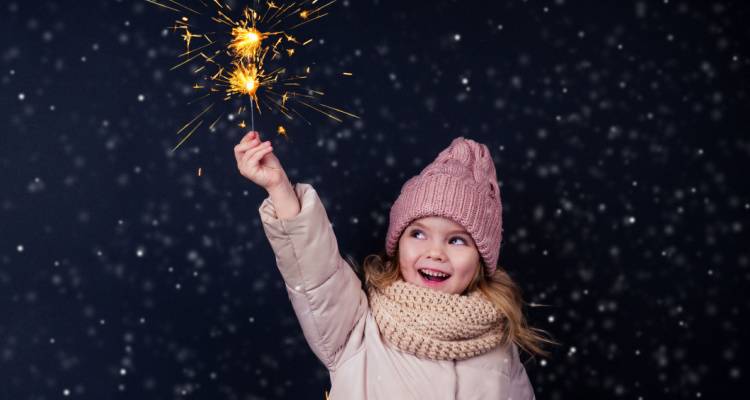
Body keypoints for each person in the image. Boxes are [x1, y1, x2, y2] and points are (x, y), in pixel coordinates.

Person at [234, 131, 552, 399]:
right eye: (418, 233)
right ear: (398, 244)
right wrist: (279, 188)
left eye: (457, 240)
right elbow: (315, 271)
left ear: (481, 259)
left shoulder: (498, 347)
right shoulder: (356, 324)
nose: (435, 252)